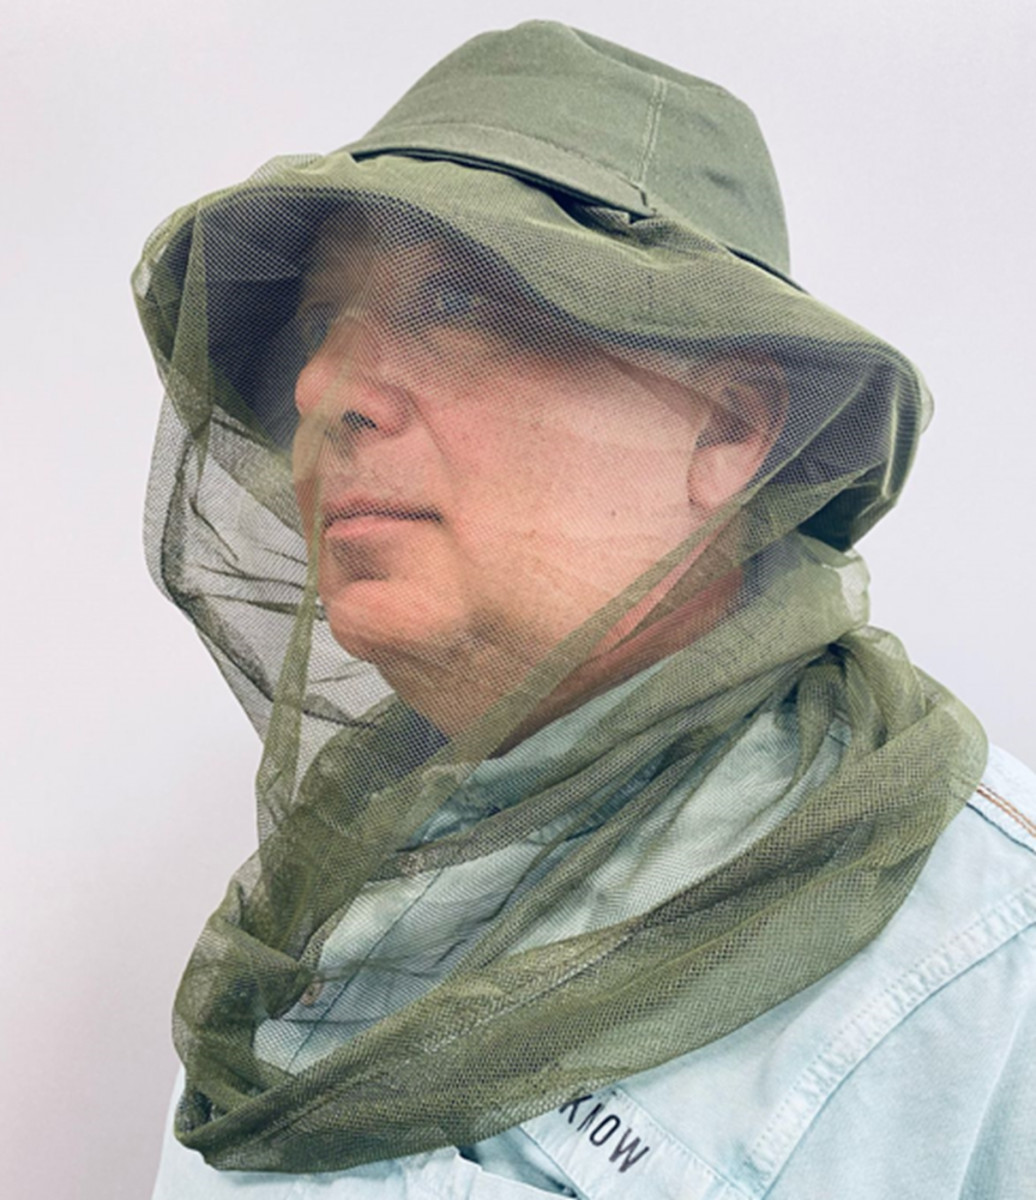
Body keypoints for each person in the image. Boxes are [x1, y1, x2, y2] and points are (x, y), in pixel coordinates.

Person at [137, 21, 1036, 1199]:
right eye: (316, 327)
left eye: (452, 298)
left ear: (728, 428)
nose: (321, 388)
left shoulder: (992, 965)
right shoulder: (346, 866)